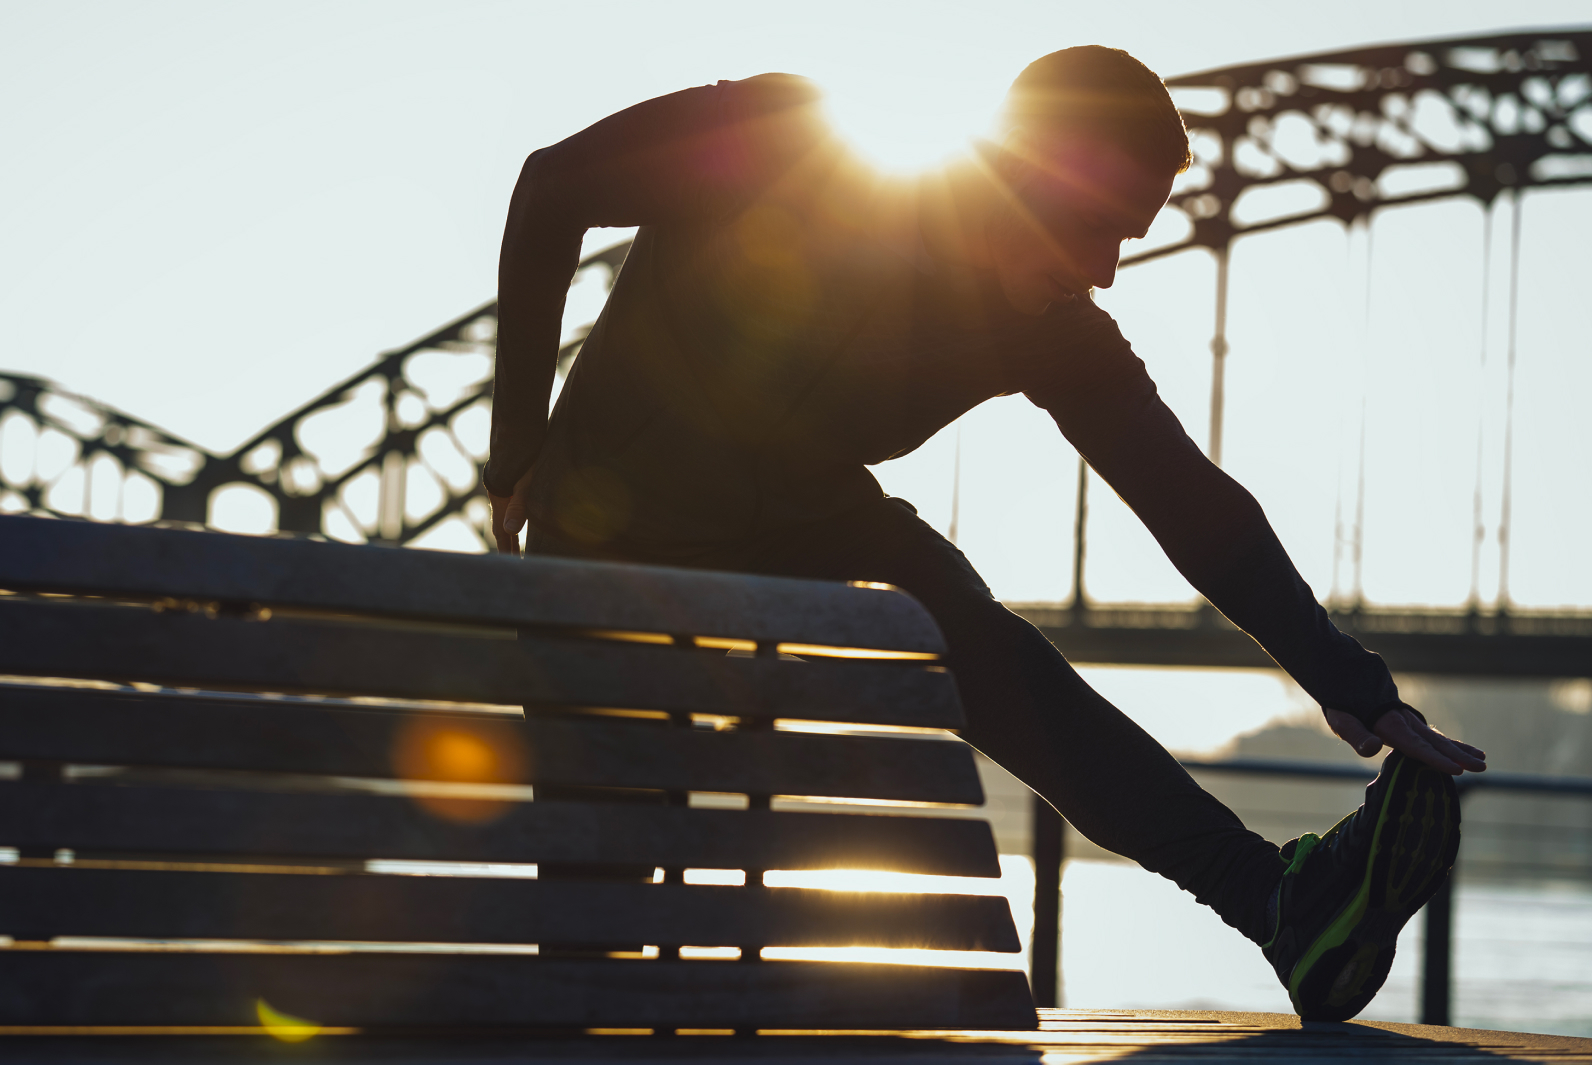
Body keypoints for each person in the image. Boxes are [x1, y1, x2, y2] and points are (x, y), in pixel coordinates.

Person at [483, 46, 1487, 1021]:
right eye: (1093, 224)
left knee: (976, 639)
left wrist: (1349, 684)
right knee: (597, 936)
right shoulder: (792, 141)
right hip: (615, 535)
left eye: (1124, 239)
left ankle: (1280, 905)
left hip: (805, 519)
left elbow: (1189, 500)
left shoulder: (1049, 327)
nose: (1102, 272)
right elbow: (553, 187)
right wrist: (516, 444)